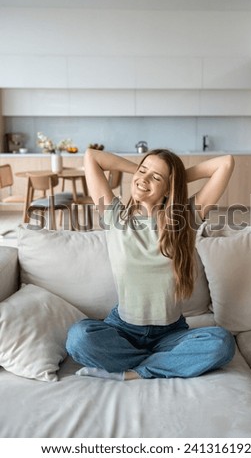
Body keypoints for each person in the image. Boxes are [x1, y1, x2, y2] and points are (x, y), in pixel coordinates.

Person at [66, 148, 236, 380]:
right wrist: (142, 172)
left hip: (170, 333)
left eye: (155, 178)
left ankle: (133, 372)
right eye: (142, 171)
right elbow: (92, 157)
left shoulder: (184, 219)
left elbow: (225, 163)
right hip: (123, 329)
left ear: (168, 189)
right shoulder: (116, 216)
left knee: (222, 343)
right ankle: (166, 363)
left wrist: (176, 179)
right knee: (79, 338)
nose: (143, 179)